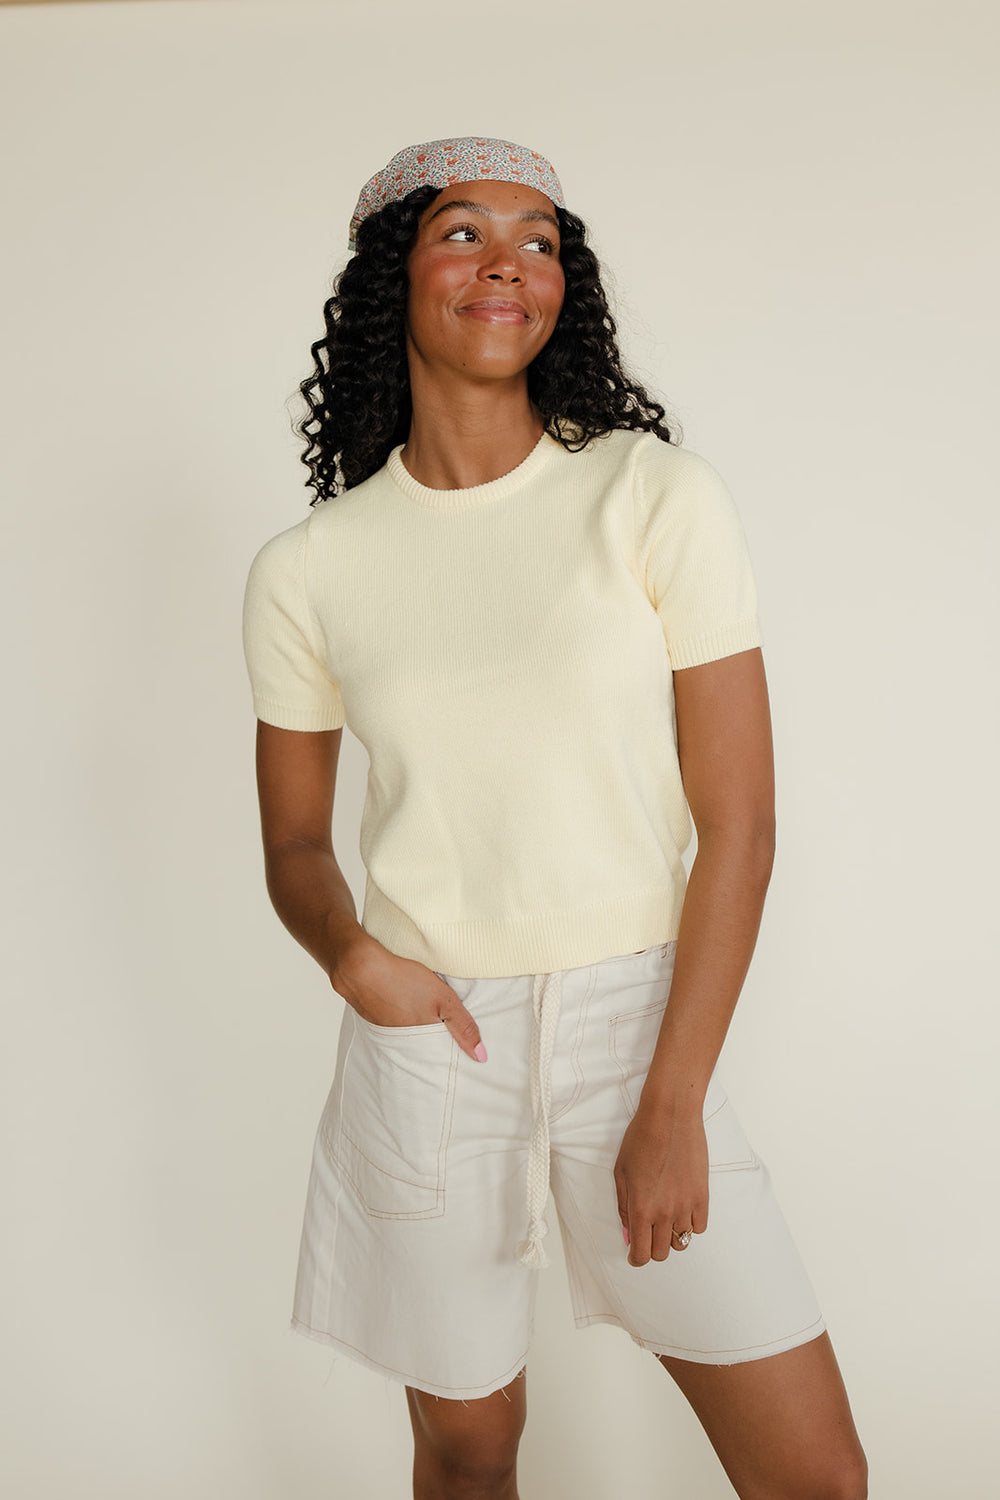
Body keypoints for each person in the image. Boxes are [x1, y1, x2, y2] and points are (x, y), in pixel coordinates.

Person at [242, 136, 867, 1500]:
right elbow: (293, 845)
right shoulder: (310, 567)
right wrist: (352, 958)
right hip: (430, 1043)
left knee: (814, 1476)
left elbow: (742, 823)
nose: (508, 263)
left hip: (637, 1027)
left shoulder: (650, 494)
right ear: (392, 280)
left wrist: (672, 1102)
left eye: (540, 241)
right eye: (463, 232)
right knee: (468, 1454)